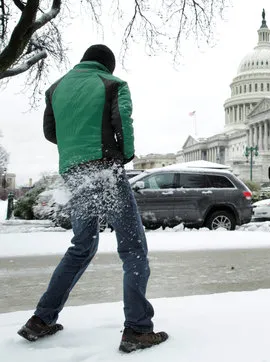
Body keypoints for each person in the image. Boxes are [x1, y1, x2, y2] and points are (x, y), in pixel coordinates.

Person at [17, 44, 169, 353]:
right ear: (106, 66)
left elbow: (51, 132)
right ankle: (138, 328)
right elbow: (122, 121)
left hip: (74, 171)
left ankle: (40, 320)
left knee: (81, 246)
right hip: (104, 167)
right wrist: (123, 155)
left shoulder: (55, 88)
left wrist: (76, 149)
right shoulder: (113, 84)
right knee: (133, 248)